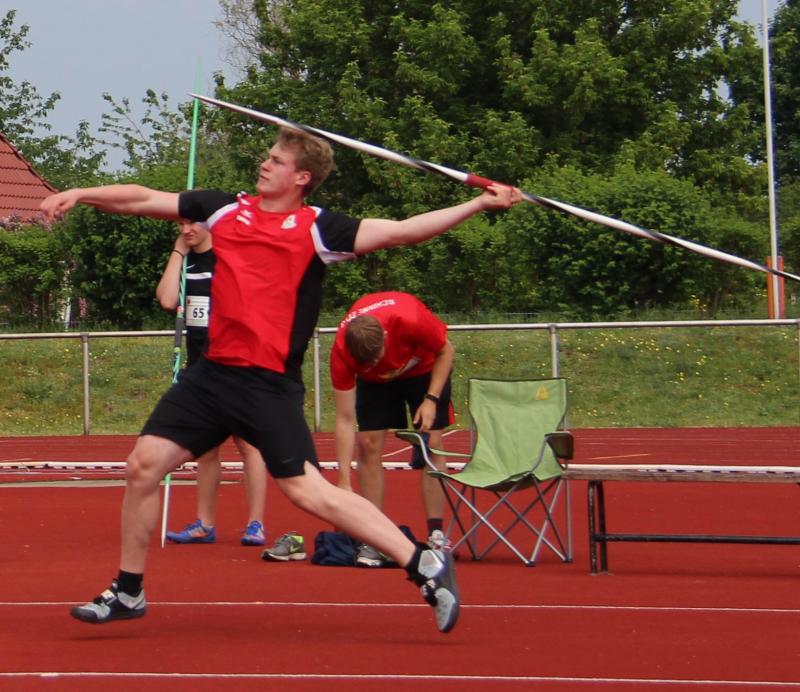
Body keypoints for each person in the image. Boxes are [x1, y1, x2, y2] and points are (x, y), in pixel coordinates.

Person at [40, 126, 522, 634]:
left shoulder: (320, 228)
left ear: (302, 177)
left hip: (266, 383)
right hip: (212, 375)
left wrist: (478, 204)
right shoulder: (223, 208)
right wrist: (82, 193)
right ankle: (128, 590)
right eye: (267, 156)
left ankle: (421, 562)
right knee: (143, 466)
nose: (264, 164)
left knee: (307, 492)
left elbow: (403, 230)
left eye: (276, 160)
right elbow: (141, 199)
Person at [155, 221, 267, 546]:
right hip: (200, 371)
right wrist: (178, 252)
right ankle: (204, 524)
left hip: (236, 367)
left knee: (248, 445)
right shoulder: (187, 263)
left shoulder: (230, 259)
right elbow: (167, 300)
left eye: (192, 222)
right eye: (181, 224)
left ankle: (256, 524)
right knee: (205, 449)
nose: (186, 229)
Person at [329, 291, 454, 567]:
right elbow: (345, 419)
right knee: (368, 444)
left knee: (431, 443)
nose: (375, 365)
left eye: (376, 358)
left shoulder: (410, 319)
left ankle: (436, 534)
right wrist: (344, 481)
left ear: (386, 336)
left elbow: (447, 350)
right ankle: (374, 537)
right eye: (367, 364)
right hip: (377, 385)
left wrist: (431, 399)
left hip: (424, 370)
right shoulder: (342, 352)